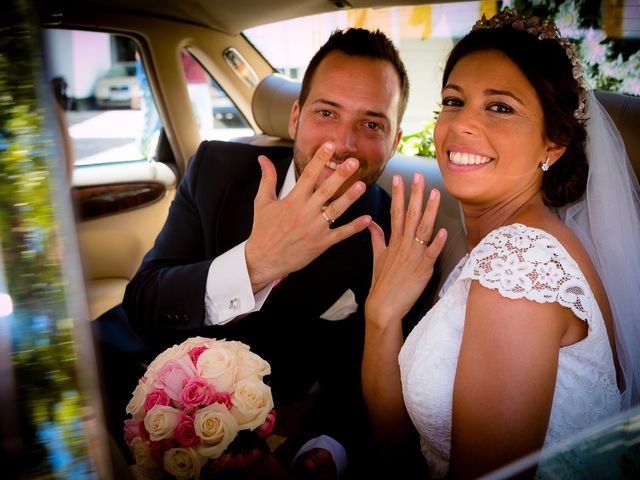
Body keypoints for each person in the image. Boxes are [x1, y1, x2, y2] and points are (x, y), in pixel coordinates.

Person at [96, 28, 412, 478]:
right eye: (326, 112)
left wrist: (322, 451)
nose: (343, 144)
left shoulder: (393, 239)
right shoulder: (216, 170)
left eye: (371, 124)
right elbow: (145, 299)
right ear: (296, 117)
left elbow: (355, 384)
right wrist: (255, 264)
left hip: (254, 434)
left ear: (395, 140)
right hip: (123, 361)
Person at [362, 9, 640, 479]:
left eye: (500, 107)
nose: (461, 125)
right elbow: (398, 446)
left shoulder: (520, 263)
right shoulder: (497, 250)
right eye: (453, 101)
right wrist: (381, 315)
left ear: (552, 145)